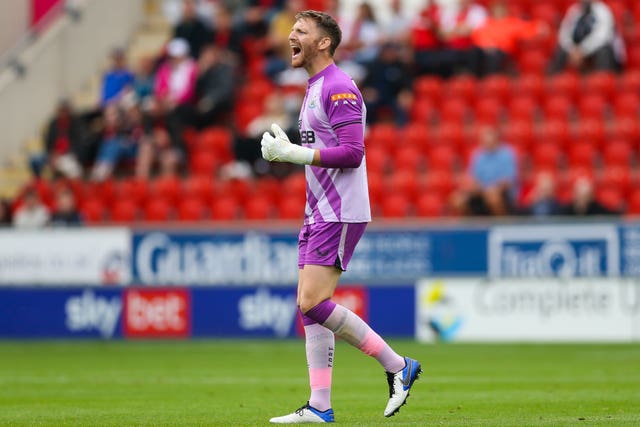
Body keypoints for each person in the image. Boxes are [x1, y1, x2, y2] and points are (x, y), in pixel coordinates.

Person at [260, 11, 421, 424]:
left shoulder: (339, 87)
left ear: (324, 43)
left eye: (301, 31)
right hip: (318, 209)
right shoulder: (314, 88)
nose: (291, 36)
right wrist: (290, 149)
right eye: (292, 30)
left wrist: (295, 153)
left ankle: (398, 365)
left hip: (341, 210)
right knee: (308, 306)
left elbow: (353, 153)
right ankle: (319, 405)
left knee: (312, 301)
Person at [451, 126, 518, 216]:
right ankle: (471, 225)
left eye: (489, 140)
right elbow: (472, 178)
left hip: (501, 193)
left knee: (492, 196)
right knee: (457, 199)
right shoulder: (478, 155)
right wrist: (473, 186)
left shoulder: (507, 154)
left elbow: (508, 181)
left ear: (496, 139)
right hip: (481, 191)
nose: (486, 143)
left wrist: (492, 188)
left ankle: (502, 224)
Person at [472, 0, 548, 75]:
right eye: (496, 9)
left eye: (501, 9)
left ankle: (491, 79)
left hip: (503, 52)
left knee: (493, 57)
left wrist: (539, 27)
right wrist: (487, 45)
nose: (499, 11)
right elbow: (478, 36)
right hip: (485, 50)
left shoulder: (512, 22)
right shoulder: (486, 23)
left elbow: (528, 29)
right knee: (473, 54)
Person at [548, 0, 622, 74]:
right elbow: (564, 33)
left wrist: (583, 50)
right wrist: (572, 49)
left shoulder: (603, 10)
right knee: (561, 50)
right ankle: (554, 79)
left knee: (604, 51)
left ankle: (603, 79)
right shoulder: (574, 10)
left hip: (594, 49)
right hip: (575, 48)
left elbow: (602, 37)